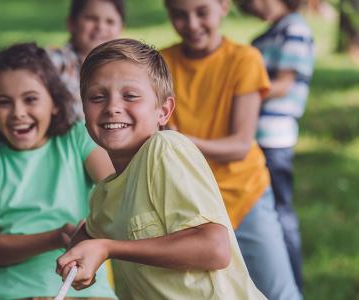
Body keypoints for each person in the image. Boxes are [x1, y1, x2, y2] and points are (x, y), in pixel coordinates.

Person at [56, 38, 266, 300]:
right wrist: (77, 258)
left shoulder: (165, 149)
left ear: (164, 111)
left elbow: (214, 248)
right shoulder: (104, 194)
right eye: (97, 97)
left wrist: (108, 247)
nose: (112, 108)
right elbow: (88, 235)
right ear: (84, 112)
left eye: (130, 96)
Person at [160, 0, 302, 299]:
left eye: (202, 12)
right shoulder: (162, 64)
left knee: (278, 291)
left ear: (224, 6)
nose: (192, 24)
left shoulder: (244, 59)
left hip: (242, 191)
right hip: (189, 200)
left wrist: (181, 140)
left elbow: (239, 145)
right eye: (179, 15)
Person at [0, 42, 117, 300]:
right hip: (13, 292)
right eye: (3, 102)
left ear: (54, 102)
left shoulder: (76, 138)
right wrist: (55, 237)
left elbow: (118, 189)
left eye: (30, 99)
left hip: (89, 291)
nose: (18, 113)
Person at [236, 0, 315, 293]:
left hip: (274, 136)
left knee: (280, 213)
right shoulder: (265, 36)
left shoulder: (294, 29)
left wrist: (240, 94)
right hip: (254, 136)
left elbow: (284, 83)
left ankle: (290, 283)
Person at [47, 0, 125, 122]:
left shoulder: (126, 68)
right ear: (71, 23)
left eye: (110, 21)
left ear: (121, 28)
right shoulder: (54, 62)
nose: (100, 27)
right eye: (91, 18)